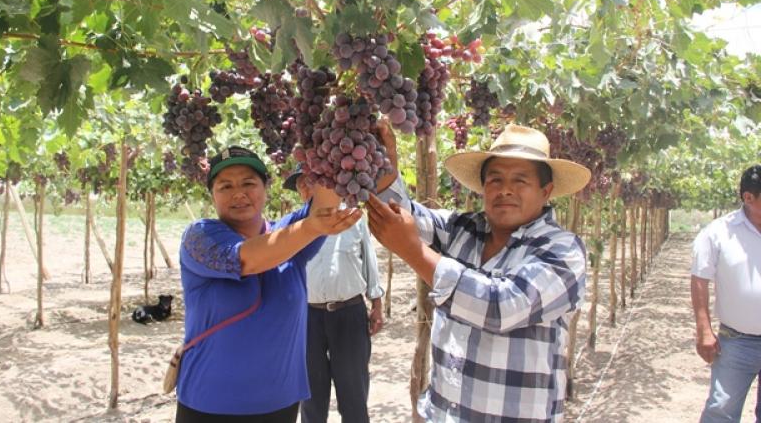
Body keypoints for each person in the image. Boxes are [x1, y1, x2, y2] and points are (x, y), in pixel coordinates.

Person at [366, 123, 591, 422]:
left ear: (545, 192)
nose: (505, 189)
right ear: (483, 187)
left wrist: (414, 252)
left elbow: (500, 306)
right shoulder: (463, 229)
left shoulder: (563, 250)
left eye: (520, 181)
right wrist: (384, 166)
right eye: (495, 179)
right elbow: (403, 216)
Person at [175, 146, 362, 423]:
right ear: (212, 195)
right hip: (209, 404)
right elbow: (247, 259)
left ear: (266, 189)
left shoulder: (288, 234)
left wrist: (332, 140)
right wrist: (313, 226)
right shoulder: (200, 237)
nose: (238, 193)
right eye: (225, 186)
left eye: (249, 183)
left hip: (279, 404)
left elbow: (324, 205)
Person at [282, 164, 384, 423]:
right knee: (311, 397)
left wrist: (377, 304)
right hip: (307, 318)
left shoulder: (351, 219)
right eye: (300, 183)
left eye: (310, 180)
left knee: (353, 393)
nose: (305, 187)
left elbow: (368, 262)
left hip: (349, 313)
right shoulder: (292, 227)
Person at [691, 164, 761, 422]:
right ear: (748, 197)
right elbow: (700, 278)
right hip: (736, 342)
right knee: (721, 410)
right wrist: (704, 330)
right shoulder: (719, 232)